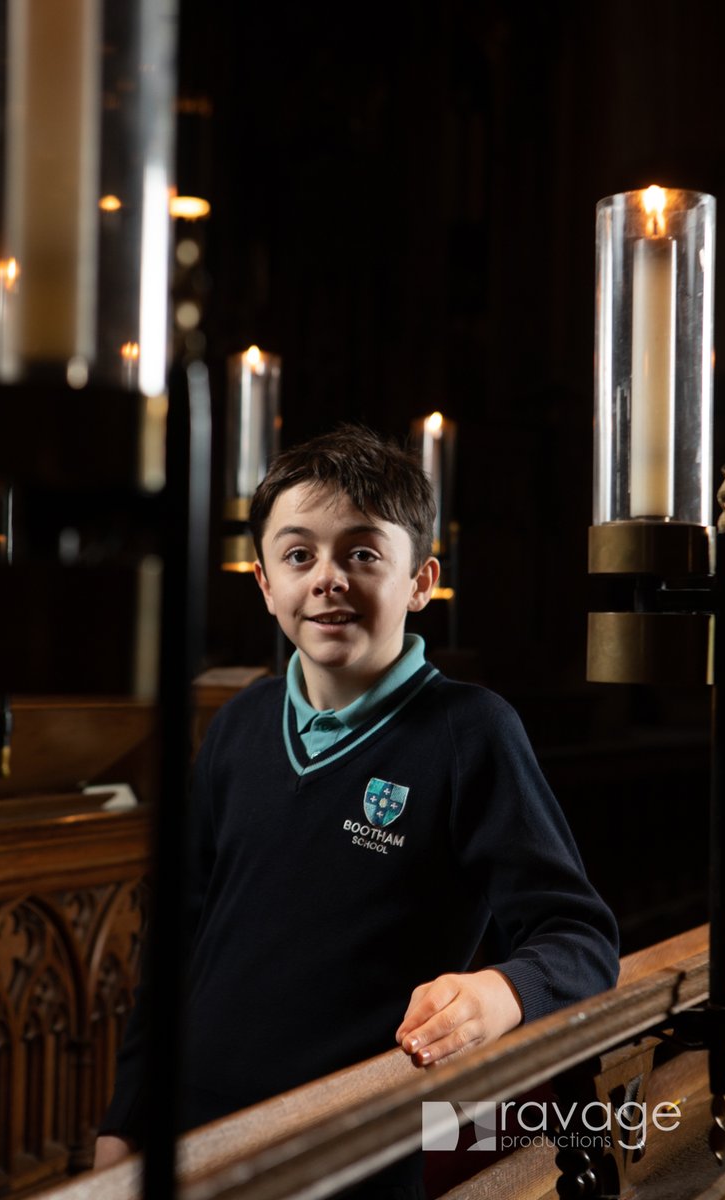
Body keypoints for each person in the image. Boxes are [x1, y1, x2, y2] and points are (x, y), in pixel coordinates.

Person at [95, 425, 619, 1196]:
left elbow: (580, 936)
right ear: (266, 583)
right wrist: (126, 1115)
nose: (328, 579)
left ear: (421, 581)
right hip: (196, 1126)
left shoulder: (469, 733)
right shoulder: (240, 724)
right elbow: (178, 937)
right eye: (299, 554)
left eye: (364, 554)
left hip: (356, 1139)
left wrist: (496, 992)